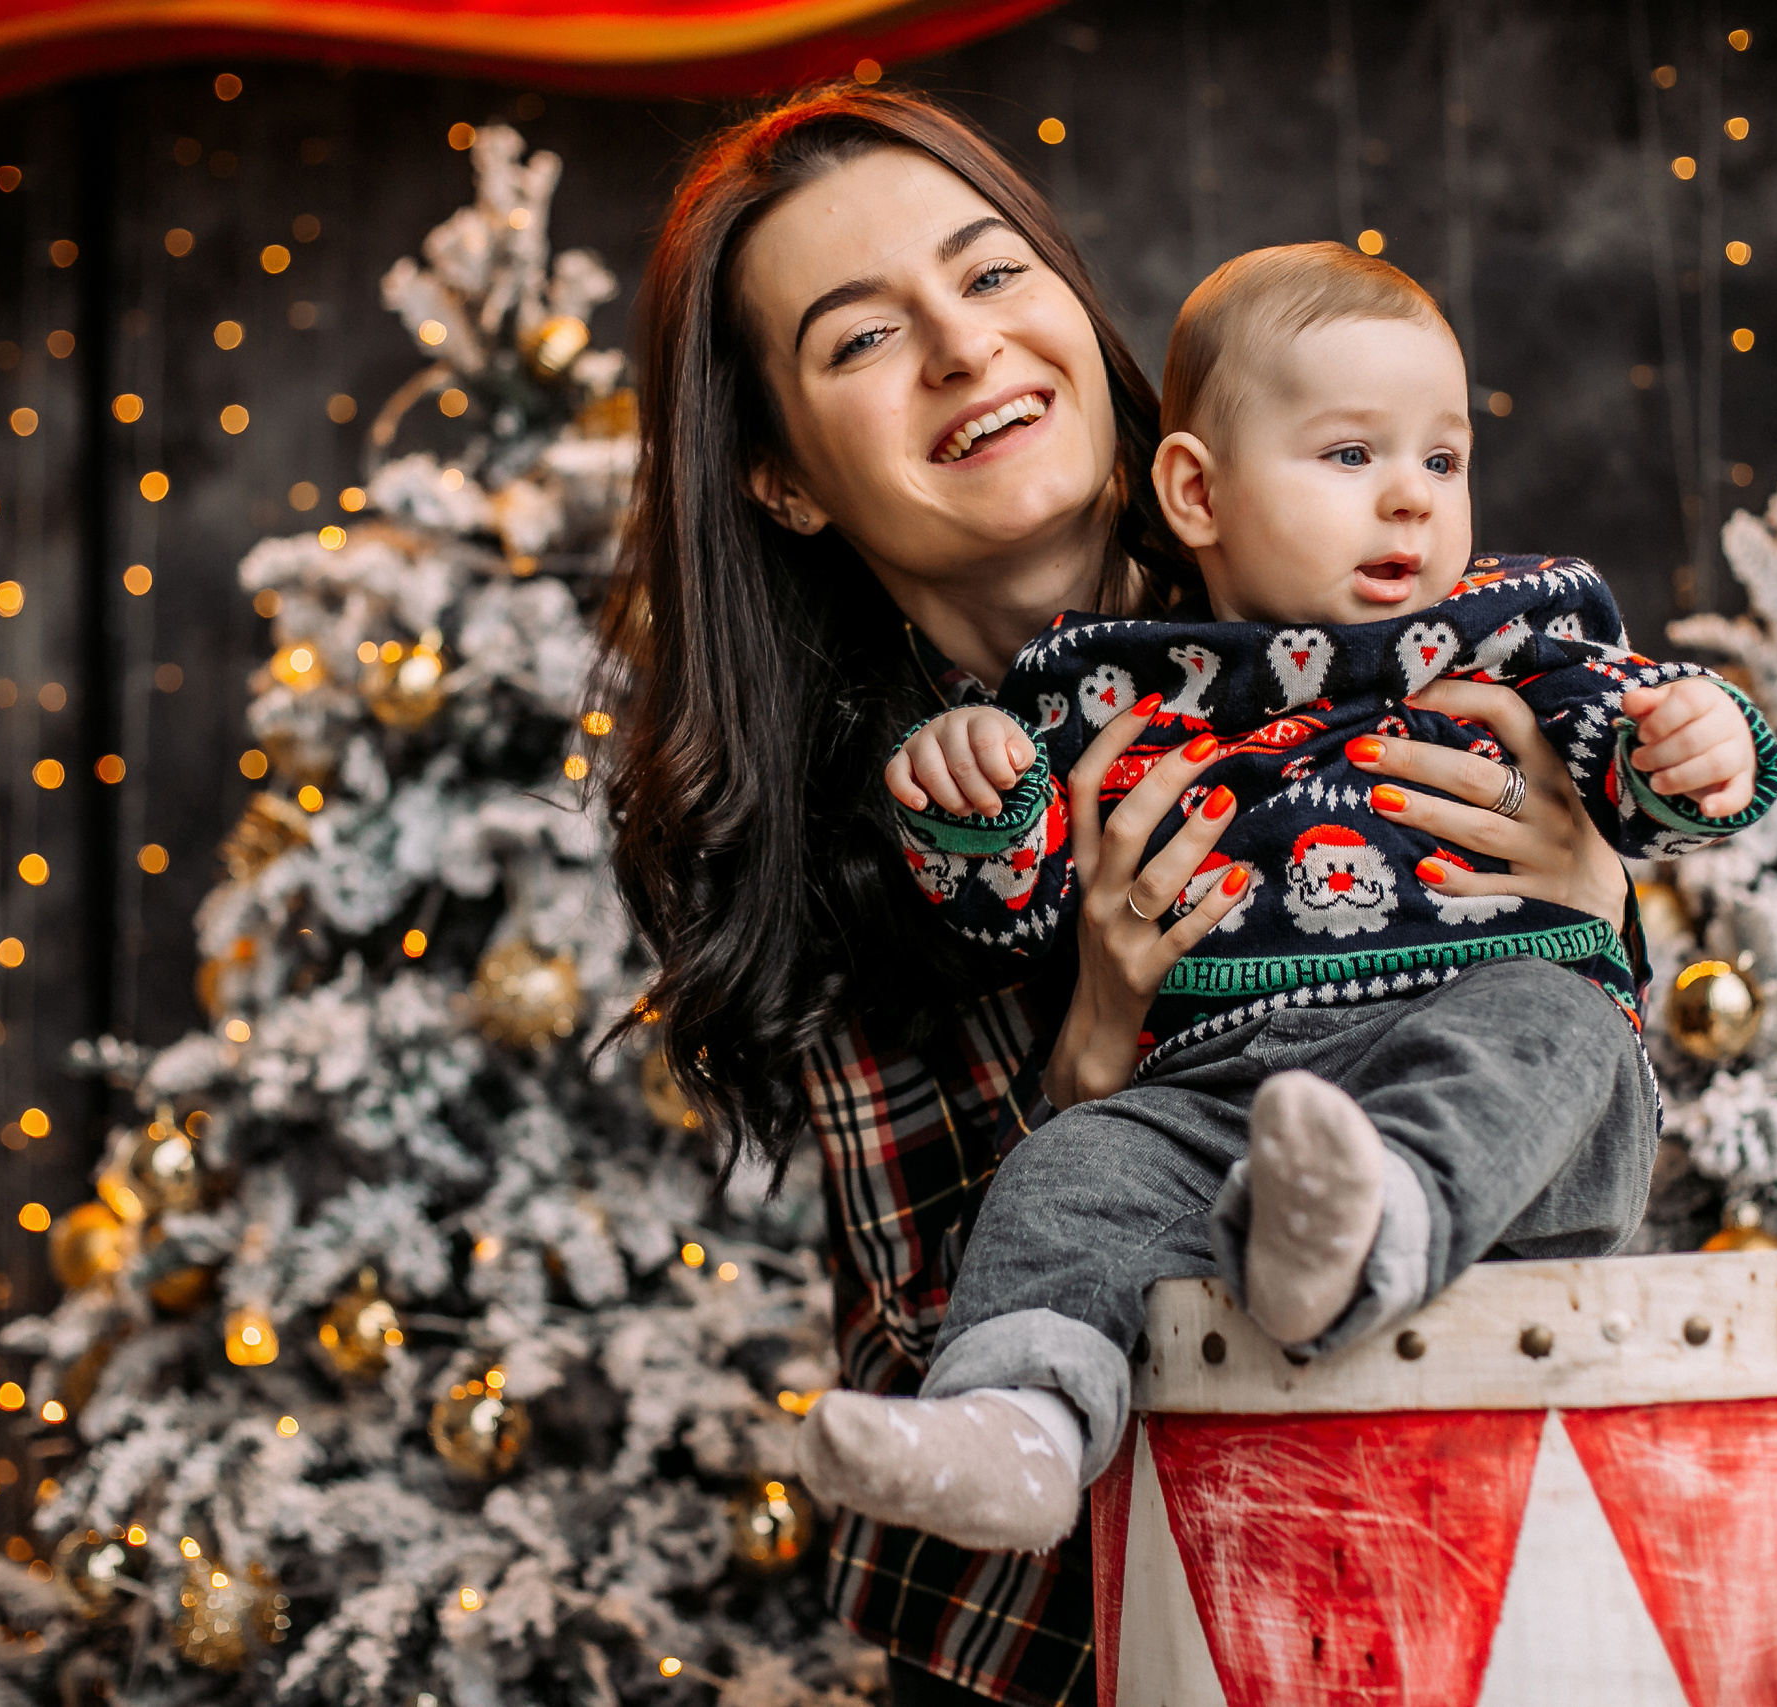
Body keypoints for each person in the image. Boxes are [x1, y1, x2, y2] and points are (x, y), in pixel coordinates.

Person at [600, 87, 1651, 1707]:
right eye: (863, 338)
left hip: (1445, 1548)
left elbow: (1582, 1109)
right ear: (783, 477)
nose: (965, 349)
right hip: (1070, 1637)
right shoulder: (835, 822)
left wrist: (1591, 897)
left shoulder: (1343, 584)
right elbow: (926, 1332)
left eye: (991, 274)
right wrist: (1094, 1048)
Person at [796, 243, 1777, 1553]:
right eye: (1351, 455)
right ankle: (1021, 1427)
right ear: (1198, 492)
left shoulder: (1509, 632)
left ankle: (1370, 1222)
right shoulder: (1113, 687)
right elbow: (1011, 909)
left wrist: (1697, 745)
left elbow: (1634, 753)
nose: (1411, 498)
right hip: (1215, 1106)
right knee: (1071, 1169)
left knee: (1555, 1019)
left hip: (1490, 1102)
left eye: (1443, 460)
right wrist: (976, 797)